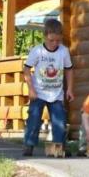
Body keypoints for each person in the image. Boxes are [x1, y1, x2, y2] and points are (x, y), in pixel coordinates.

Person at [22, 19, 74, 156]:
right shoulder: (37, 51)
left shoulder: (64, 51)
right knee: (33, 119)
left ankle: (59, 147)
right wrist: (31, 89)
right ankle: (29, 145)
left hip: (56, 93)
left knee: (60, 122)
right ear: (45, 36)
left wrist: (69, 89)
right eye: (51, 40)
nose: (54, 43)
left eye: (58, 40)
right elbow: (26, 69)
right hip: (38, 93)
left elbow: (69, 70)